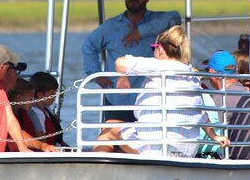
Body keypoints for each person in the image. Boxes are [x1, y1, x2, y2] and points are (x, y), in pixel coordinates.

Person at [94, 26, 229, 157]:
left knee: (109, 127)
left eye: (153, 48)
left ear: (160, 49)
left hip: (154, 148)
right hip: (187, 150)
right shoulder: (191, 75)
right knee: (126, 129)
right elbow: (201, 113)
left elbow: (120, 63)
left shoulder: (157, 65)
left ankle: (94, 171)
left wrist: (125, 74)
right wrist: (215, 136)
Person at [82, 0, 181, 123]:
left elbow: (175, 17)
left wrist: (142, 31)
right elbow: (89, 46)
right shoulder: (110, 26)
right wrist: (96, 74)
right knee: (114, 140)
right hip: (117, 98)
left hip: (150, 98)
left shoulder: (158, 21)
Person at [208, 50, 250, 160]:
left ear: (211, 72)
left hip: (232, 158)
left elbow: (210, 134)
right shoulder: (248, 93)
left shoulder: (219, 100)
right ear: (236, 70)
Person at [197, 50, 236, 159]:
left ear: (211, 71)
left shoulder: (216, 100)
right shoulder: (247, 93)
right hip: (244, 153)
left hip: (224, 154)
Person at [29, 71, 69, 147]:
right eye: (51, 94)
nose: (55, 96)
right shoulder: (37, 113)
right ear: (40, 95)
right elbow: (42, 141)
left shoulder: (47, 109)